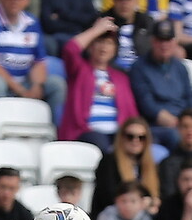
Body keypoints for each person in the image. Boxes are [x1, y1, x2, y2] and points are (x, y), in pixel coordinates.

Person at [129, 19, 192, 151]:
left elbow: (190, 97)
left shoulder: (180, 67)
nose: (164, 45)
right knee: (175, 136)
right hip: (157, 126)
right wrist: (178, 124)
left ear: (174, 42)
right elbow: (148, 106)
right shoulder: (139, 68)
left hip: (183, 123)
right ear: (152, 41)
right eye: (160, 40)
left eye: (168, 40)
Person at [0, 0, 66, 119]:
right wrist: (20, 90)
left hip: (22, 82)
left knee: (56, 84)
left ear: (27, 0)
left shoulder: (33, 22)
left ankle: (56, 129)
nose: (14, 0)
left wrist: (37, 85)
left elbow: (39, 62)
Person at [59, 17, 139, 153]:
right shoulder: (79, 70)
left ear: (115, 49)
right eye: (99, 41)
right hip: (86, 133)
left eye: (109, 43)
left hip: (117, 134)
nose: (104, 47)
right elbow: (70, 49)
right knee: (102, 143)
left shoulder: (121, 78)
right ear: (90, 46)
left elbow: (131, 113)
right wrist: (96, 30)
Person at [90, 116, 161, 220]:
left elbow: (155, 196)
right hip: (112, 219)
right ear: (121, 138)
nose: (135, 141)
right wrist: (139, 204)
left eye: (141, 137)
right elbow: (107, 196)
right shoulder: (109, 161)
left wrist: (152, 202)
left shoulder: (150, 165)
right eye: (130, 136)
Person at [102, 0, 154, 71]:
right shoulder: (103, 22)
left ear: (137, 0)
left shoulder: (147, 22)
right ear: (114, 0)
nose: (124, 3)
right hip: (112, 72)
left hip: (141, 72)